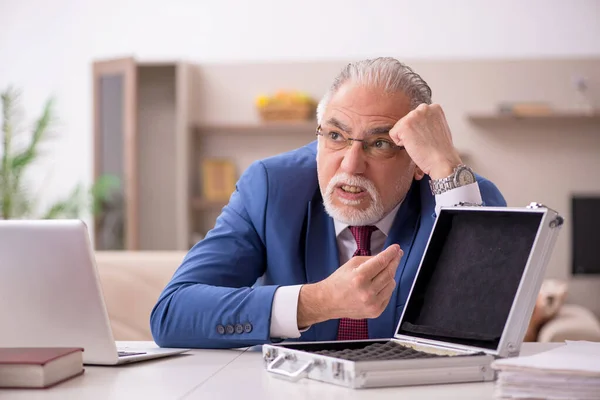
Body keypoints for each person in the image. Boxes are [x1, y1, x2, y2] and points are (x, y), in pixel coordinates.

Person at [150, 57, 506, 349]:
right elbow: (172, 314)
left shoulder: (457, 194)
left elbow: (483, 327)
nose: (350, 165)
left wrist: (446, 167)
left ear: (416, 161)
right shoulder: (271, 188)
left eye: (379, 143)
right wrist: (316, 302)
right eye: (335, 136)